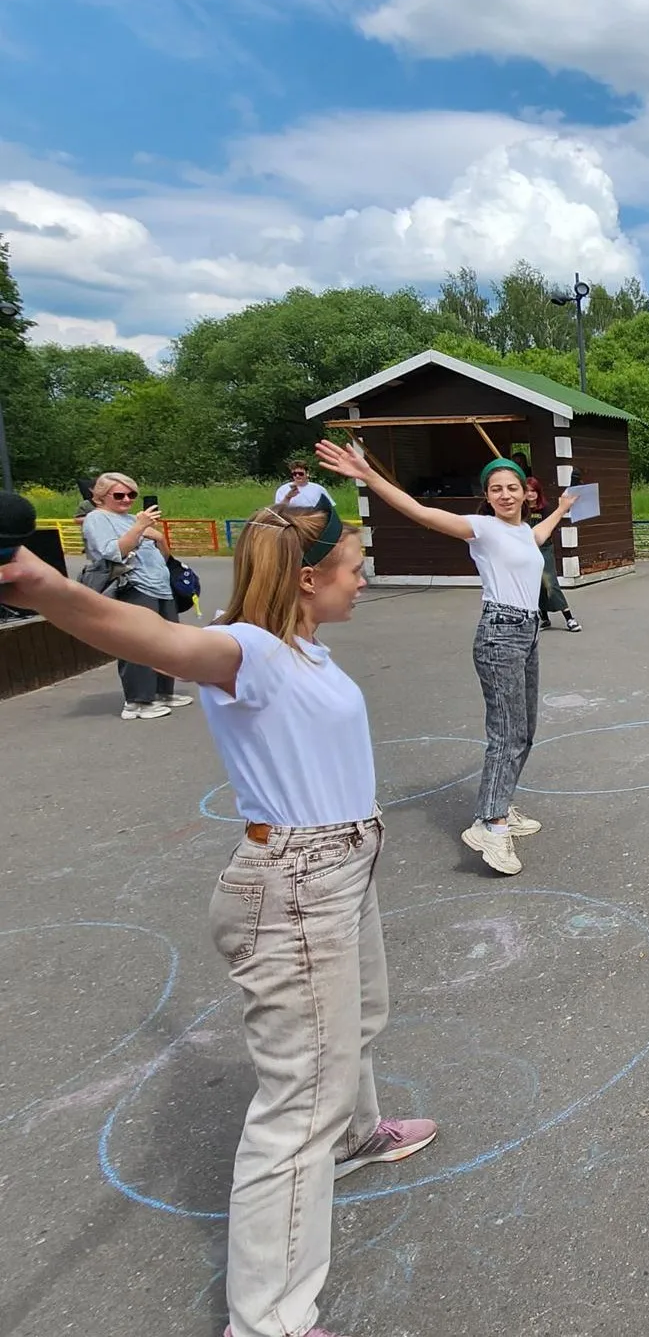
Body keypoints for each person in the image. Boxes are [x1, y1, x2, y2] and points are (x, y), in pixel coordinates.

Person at [0, 501, 438, 1337]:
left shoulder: (305, 647)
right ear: (307, 580)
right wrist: (36, 581)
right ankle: (267, 1317)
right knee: (298, 1099)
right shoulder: (250, 652)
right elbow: (146, 636)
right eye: (354, 567)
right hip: (295, 884)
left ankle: (353, 1140)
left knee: (361, 1021)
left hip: (344, 865)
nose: (365, 578)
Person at [315, 442, 574, 877]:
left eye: (513, 487)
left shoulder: (522, 533)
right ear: (487, 496)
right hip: (500, 634)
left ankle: (501, 807)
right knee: (506, 733)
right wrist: (369, 476)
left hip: (527, 632)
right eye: (497, 489)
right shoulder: (483, 529)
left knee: (524, 729)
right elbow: (419, 512)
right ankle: (490, 824)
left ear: (526, 493)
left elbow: (540, 536)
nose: (506, 495)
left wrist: (562, 507)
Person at [81, 471, 191, 720]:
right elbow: (111, 552)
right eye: (119, 495)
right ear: (100, 496)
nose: (127, 499)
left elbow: (162, 555)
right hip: (132, 585)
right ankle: (137, 701)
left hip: (160, 585)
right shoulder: (97, 518)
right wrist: (140, 527)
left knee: (167, 641)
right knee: (139, 642)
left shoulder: (132, 518)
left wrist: (158, 537)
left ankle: (163, 691)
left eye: (132, 494)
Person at [525, 474, 581, 633]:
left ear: (538, 492)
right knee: (534, 584)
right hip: (526, 551)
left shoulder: (546, 508)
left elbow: (562, 511)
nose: (530, 494)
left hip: (544, 549)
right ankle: (544, 618)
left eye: (533, 491)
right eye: (527, 491)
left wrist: (572, 486)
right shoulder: (519, 511)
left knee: (549, 582)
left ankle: (569, 617)